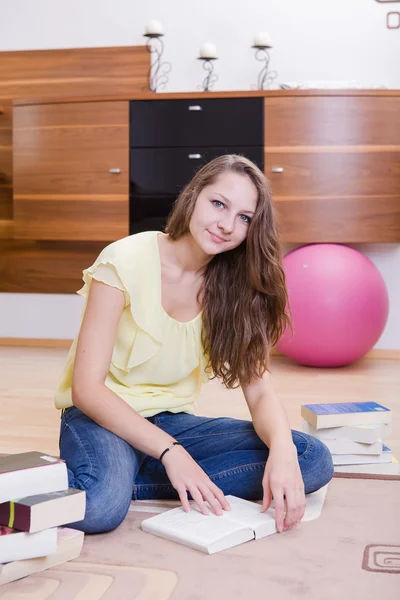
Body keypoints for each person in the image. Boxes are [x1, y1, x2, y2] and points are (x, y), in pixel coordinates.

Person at [55, 154, 334, 535]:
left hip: (173, 423)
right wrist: (172, 453)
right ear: (193, 196)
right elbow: (86, 389)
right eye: (218, 204)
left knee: (309, 458)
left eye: (244, 217)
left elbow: (260, 393)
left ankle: (129, 477)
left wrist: (282, 454)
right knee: (100, 509)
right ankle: (124, 478)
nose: (226, 225)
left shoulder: (236, 286)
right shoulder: (123, 260)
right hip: (102, 419)